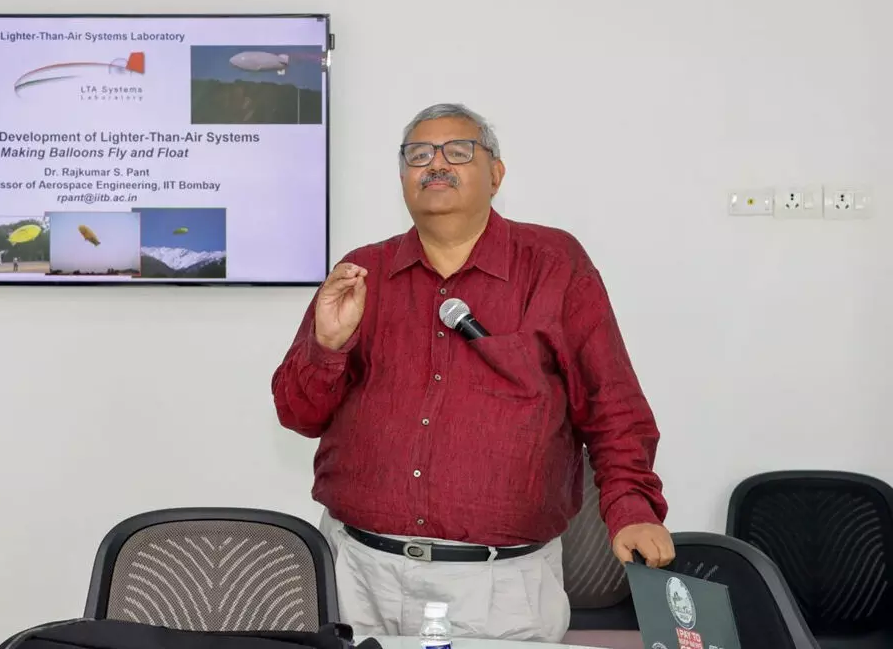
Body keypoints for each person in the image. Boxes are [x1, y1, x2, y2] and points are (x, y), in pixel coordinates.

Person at [270, 103, 672, 642]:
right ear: (402, 177)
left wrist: (632, 509)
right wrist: (326, 346)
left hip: (500, 587)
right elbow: (298, 413)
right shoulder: (364, 271)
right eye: (419, 154)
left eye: (458, 151)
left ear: (496, 175)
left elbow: (611, 404)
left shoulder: (554, 264)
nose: (436, 164)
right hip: (358, 574)